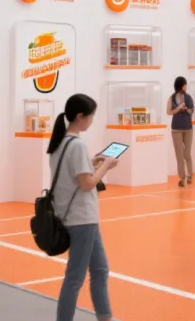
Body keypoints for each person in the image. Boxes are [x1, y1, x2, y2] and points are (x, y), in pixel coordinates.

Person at [47, 93, 119, 321]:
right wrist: (105, 166)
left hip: (75, 217)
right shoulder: (76, 145)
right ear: (80, 116)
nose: (91, 121)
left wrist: (93, 162)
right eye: (91, 116)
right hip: (82, 219)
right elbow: (87, 183)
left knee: (100, 270)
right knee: (75, 278)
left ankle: (105, 317)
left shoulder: (60, 143)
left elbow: (73, 175)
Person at [167, 76, 195, 187]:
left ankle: (190, 176)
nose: (186, 86)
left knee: (187, 154)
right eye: (184, 84)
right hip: (176, 129)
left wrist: (187, 109)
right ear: (180, 85)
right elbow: (169, 112)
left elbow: (192, 110)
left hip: (188, 128)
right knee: (179, 154)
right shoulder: (172, 98)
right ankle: (182, 177)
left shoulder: (189, 97)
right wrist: (179, 108)